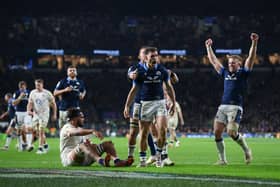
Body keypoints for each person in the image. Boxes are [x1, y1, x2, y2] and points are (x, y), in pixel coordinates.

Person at [205, 32, 259, 165]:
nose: (230, 65)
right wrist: (208, 47)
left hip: (235, 106)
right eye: (229, 63)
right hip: (223, 106)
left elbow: (251, 57)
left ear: (239, 64)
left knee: (231, 132)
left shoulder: (243, 73)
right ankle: (222, 160)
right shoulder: (225, 72)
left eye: (233, 63)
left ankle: (246, 150)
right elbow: (213, 61)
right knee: (217, 132)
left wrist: (254, 42)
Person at [124, 47, 176, 167]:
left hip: (160, 103)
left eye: (156, 55)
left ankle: (159, 157)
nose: (155, 57)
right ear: (145, 57)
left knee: (162, 130)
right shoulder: (139, 71)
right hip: (144, 103)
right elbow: (133, 89)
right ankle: (142, 159)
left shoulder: (162, 70)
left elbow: (169, 86)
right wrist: (127, 105)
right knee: (143, 133)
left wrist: (173, 101)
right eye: (152, 55)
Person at [60, 108, 130, 167]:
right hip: (69, 160)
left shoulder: (80, 129)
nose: (83, 119)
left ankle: (117, 161)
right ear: (75, 118)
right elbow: (75, 132)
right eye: (81, 117)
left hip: (84, 159)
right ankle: (101, 161)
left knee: (108, 144)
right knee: (83, 145)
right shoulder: (67, 127)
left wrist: (92, 145)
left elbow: (87, 146)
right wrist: (92, 131)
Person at [27, 79, 57, 154]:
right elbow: (30, 103)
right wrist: (28, 110)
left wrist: (54, 114)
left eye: (39, 85)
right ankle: (45, 145)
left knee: (41, 130)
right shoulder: (32, 92)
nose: (37, 86)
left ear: (42, 85)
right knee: (35, 131)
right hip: (36, 114)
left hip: (44, 114)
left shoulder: (47, 93)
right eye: (36, 85)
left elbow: (54, 104)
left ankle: (40, 148)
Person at [12, 81, 31, 151]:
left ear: (25, 86)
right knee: (19, 130)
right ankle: (20, 145)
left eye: (22, 87)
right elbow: (14, 103)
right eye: (20, 87)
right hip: (19, 113)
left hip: (27, 112)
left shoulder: (29, 92)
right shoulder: (16, 93)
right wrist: (20, 97)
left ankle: (29, 145)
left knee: (28, 127)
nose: (21, 89)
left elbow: (32, 102)